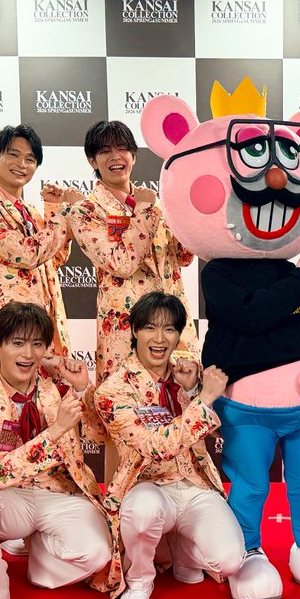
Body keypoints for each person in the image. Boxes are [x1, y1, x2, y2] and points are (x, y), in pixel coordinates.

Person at [0, 302, 113, 599]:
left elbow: (100, 434)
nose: (28, 354)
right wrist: (54, 432)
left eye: (37, 343)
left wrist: (83, 387)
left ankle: (40, 561)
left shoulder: (59, 385)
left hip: (60, 493)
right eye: (18, 343)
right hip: (9, 497)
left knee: (97, 553)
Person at [95, 292, 244, 599]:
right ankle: (139, 582)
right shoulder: (113, 390)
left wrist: (191, 391)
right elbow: (155, 446)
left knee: (230, 561)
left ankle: (181, 551)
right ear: (135, 330)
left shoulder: (186, 376)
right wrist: (202, 401)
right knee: (143, 510)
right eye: (150, 328)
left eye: (169, 329)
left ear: (178, 335)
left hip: (194, 486)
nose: (160, 339)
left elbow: (217, 434)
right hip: (146, 486)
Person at [69, 120, 198, 482]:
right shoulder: (86, 211)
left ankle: (188, 501)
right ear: (92, 161)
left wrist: (183, 210)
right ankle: (121, 510)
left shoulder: (153, 202)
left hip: (173, 328)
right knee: (123, 426)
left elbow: (183, 256)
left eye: (122, 148)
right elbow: (121, 263)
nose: (116, 157)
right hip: (125, 333)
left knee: (183, 409)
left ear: (134, 155)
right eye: (105, 151)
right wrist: (144, 211)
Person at [0, 124, 78, 370]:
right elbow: (27, 254)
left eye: (30, 159)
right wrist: (65, 215)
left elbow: (54, 258)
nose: (22, 164)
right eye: (13, 154)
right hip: (5, 329)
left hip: (41, 325)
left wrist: (53, 208)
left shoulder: (29, 210)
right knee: (1, 393)